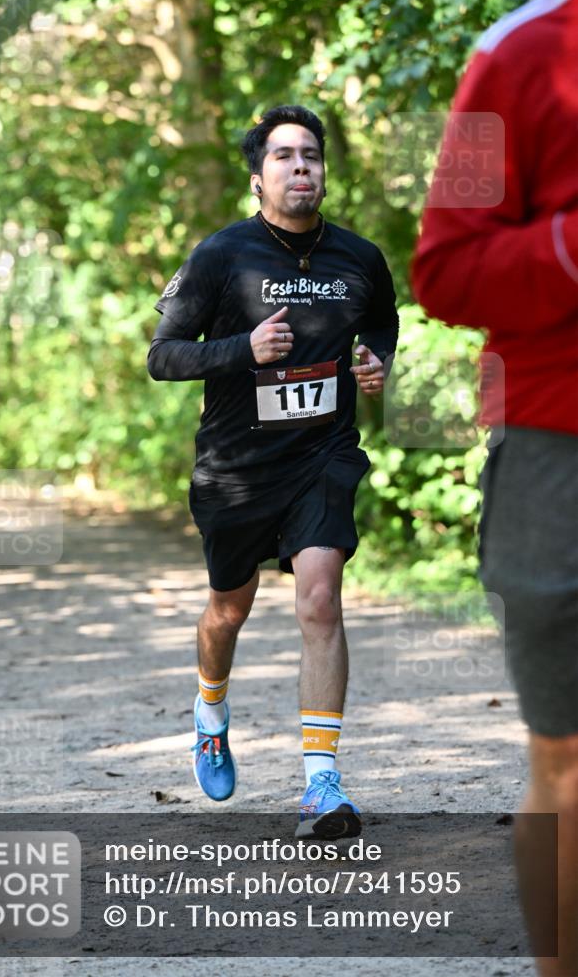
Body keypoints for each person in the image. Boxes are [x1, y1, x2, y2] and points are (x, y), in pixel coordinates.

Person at [148, 105, 398, 837]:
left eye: (311, 156)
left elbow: (381, 317)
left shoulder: (359, 258)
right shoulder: (221, 256)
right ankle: (209, 708)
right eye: (284, 156)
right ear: (258, 176)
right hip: (233, 467)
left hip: (321, 456)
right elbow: (161, 355)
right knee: (229, 608)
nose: (301, 167)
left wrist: (376, 358)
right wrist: (238, 350)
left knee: (319, 599)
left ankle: (321, 783)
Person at [412, 0, 577, 974]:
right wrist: (568, 245)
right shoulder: (512, 55)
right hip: (560, 450)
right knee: (565, 757)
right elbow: (443, 269)